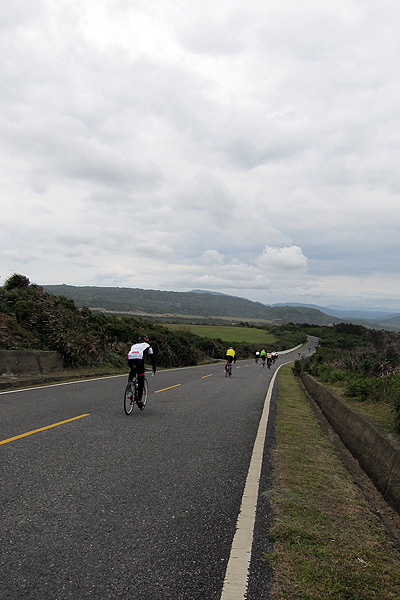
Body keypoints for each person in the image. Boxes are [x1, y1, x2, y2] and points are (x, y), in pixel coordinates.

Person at [127, 334, 156, 408]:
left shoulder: (134, 345)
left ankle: (129, 386)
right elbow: (152, 358)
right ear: (146, 340)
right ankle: (139, 400)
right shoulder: (148, 346)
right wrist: (154, 367)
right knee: (141, 379)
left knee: (133, 370)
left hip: (130, 359)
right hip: (139, 360)